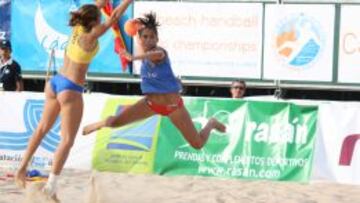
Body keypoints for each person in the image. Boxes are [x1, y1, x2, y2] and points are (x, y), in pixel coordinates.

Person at [15, 0, 133, 198]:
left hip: (55, 82)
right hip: (70, 89)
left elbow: (96, 5)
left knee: (42, 128)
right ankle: (51, 186)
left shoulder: (79, 26)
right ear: (94, 20)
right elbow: (113, 17)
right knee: (67, 140)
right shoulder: (91, 35)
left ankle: (21, 168)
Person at [83, 12, 226, 150]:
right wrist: (135, 28)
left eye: (152, 37)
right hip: (150, 104)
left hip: (173, 107)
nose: (148, 40)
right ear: (140, 39)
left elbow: (153, 55)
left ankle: (211, 123)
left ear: (157, 39)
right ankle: (99, 124)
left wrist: (133, 57)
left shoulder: (160, 52)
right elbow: (141, 46)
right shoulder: (142, 52)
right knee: (114, 122)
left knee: (198, 144)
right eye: (145, 37)